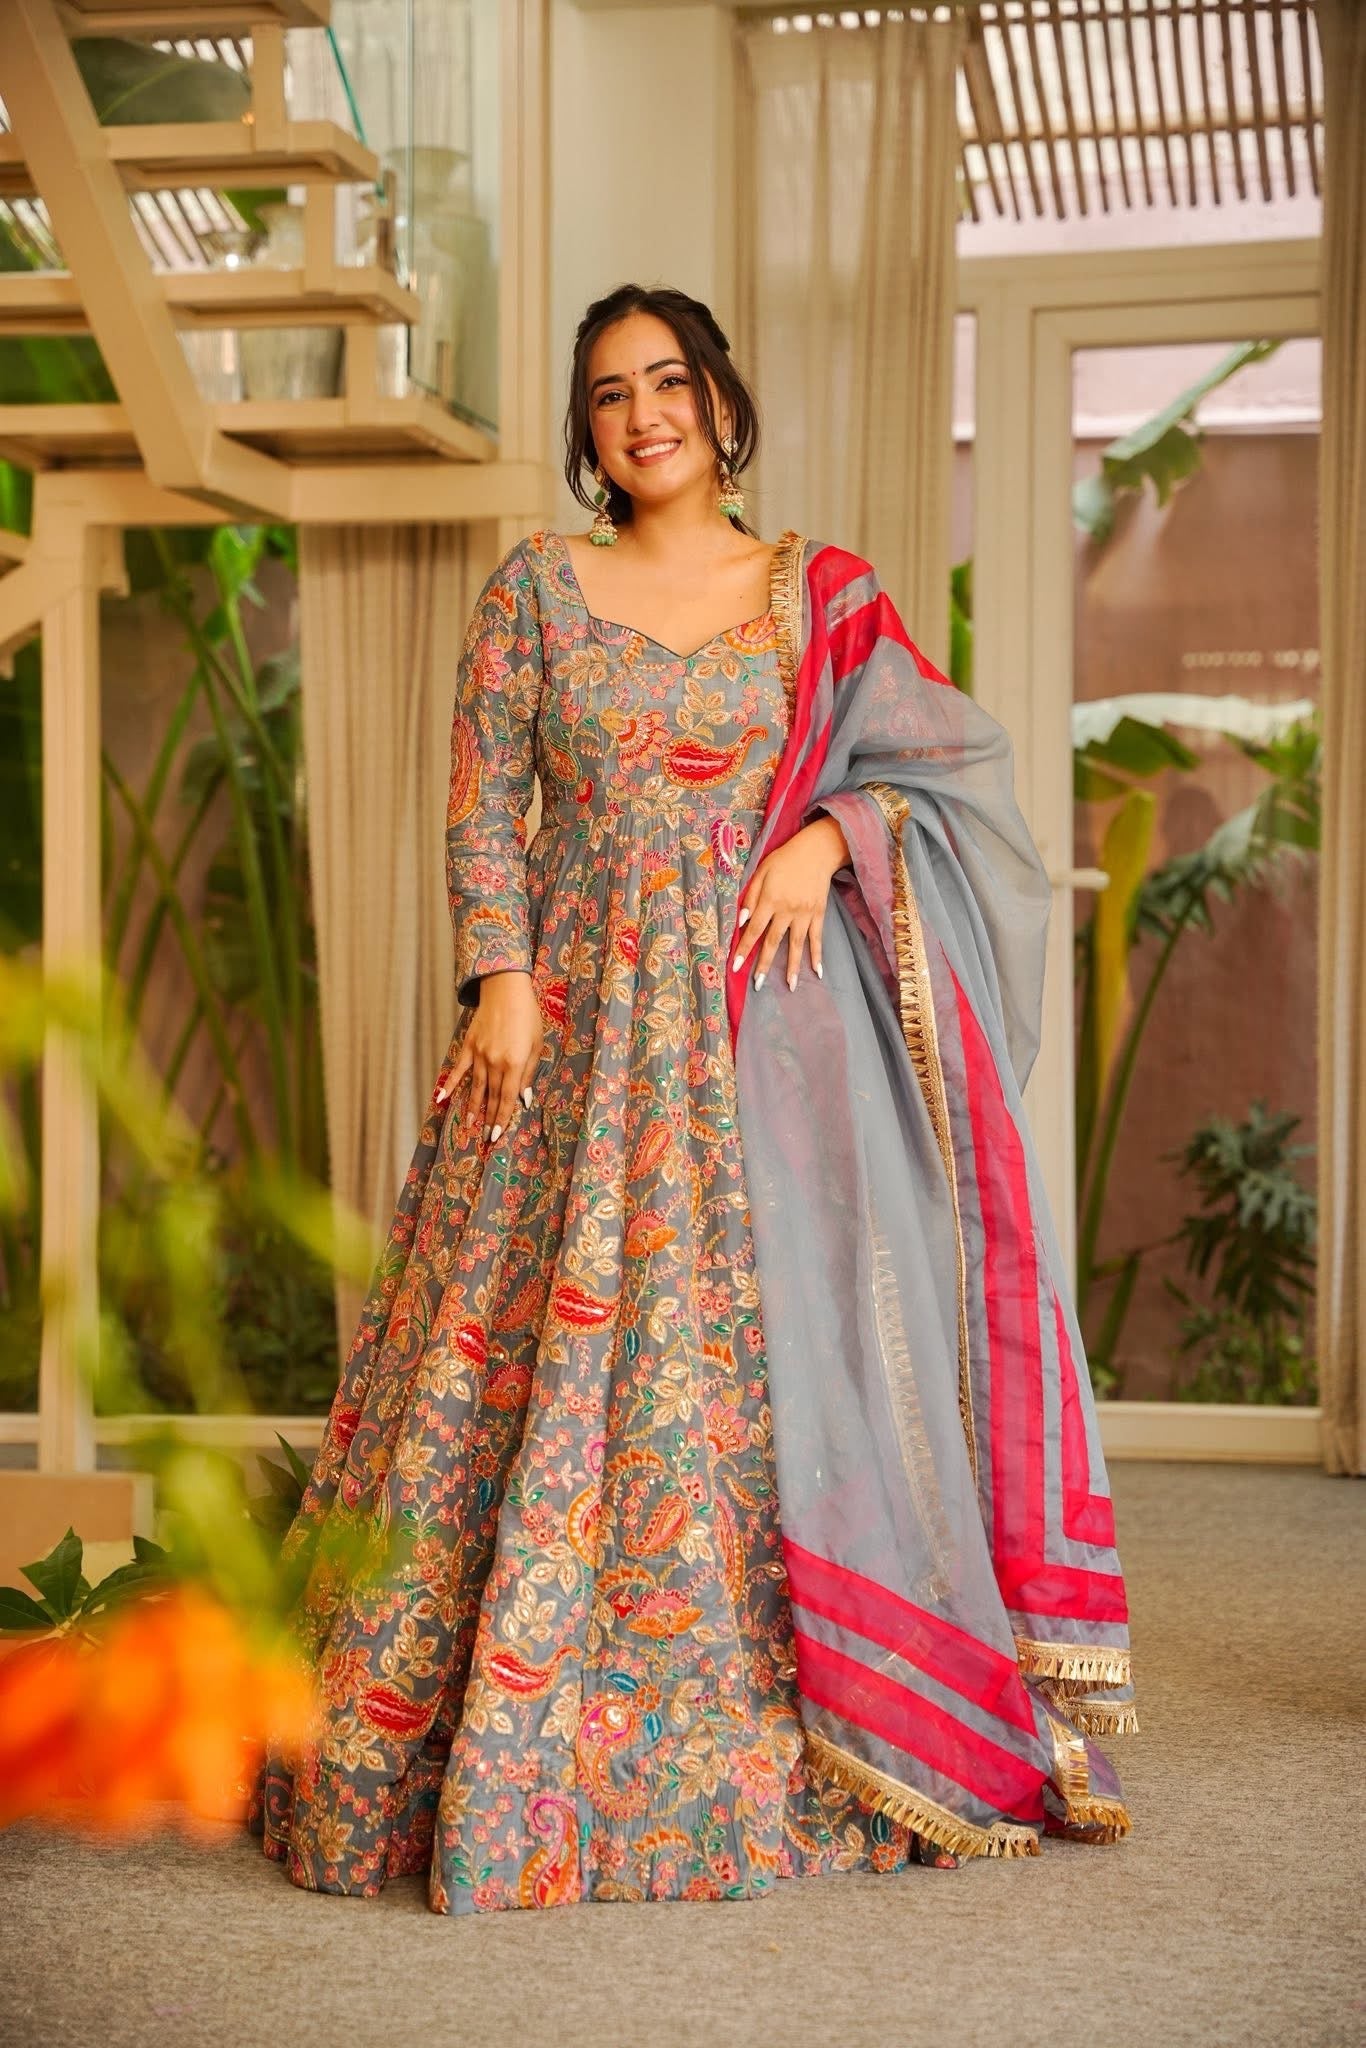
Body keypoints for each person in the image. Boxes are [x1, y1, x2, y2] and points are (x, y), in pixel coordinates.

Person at [249, 283, 1136, 1914]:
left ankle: (806, 1733)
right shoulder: (535, 589)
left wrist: (828, 839)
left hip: (766, 1058)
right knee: (500, 1363)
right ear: (586, 433)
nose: (643, 413)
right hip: (566, 1042)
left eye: (668, 382)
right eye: (608, 394)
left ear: (721, 405)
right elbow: (482, 799)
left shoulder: (819, 596)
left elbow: (948, 779)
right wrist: (500, 973)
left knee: (750, 1371)